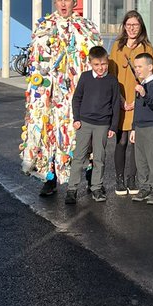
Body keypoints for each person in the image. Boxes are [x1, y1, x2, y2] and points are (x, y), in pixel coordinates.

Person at [20, 0, 101, 196]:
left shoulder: (86, 27)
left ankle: (92, 178)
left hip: (79, 93)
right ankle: (51, 178)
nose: (63, 4)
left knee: (83, 133)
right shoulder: (45, 27)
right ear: (55, 2)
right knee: (53, 134)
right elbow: (37, 62)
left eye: (67, 0)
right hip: (53, 95)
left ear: (73, 2)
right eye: (59, 0)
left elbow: (96, 57)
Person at [65, 46, 121, 205]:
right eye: (97, 64)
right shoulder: (85, 77)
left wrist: (113, 127)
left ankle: (96, 187)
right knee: (78, 157)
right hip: (84, 123)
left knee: (99, 157)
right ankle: (72, 189)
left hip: (102, 125)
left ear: (107, 62)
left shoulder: (112, 80)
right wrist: (76, 118)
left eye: (103, 64)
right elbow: (77, 99)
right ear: (90, 64)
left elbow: (116, 104)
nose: (101, 68)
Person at [109, 10, 153, 196]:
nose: (132, 28)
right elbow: (111, 75)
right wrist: (120, 100)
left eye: (135, 25)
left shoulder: (146, 48)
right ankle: (119, 179)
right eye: (128, 25)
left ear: (141, 26)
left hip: (139, 100)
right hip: (120, 100)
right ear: (124, 26)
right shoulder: (117, 46)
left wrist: (138, 101)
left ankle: (132, 178)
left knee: (136, 142)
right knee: (121, 141)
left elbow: (151, 76)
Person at [129, 51, 153, 206]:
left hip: (152, 127)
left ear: (150, 67)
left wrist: (144, 94)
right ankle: (144, 186)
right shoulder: (141, 85)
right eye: (135, 67)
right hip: (140, 127)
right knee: (140, 160)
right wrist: (133, 128)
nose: (137, 69)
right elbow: (138, 109)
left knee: (152, 158)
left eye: (140, 66)